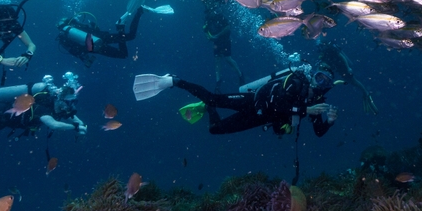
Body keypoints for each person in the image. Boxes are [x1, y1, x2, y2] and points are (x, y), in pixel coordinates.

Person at [133, 63, 338, 136]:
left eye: (326, 82)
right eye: (320, 77)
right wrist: (305, 111)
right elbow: (279, 104)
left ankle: (206, 108)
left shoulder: (315, 103)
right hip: (253, 101)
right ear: (313, 75)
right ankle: (174, 81)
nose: (320, 84)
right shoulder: (296, 82)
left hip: (259, 118)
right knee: (213, 99)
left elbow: (319, 132)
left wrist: (328, 122)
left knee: (215, 130)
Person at [0, 74, 87, 137]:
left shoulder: (58, 106)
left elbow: (72, 116)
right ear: (59, 99)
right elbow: (55, 125)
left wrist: (80, 123)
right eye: (68, 102)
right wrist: (75, 127)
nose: (70, 106)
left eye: (73, 102)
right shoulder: (43, 109)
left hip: (6, 119)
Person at [57, 0, 172, 67]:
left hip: (96, 47)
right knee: (124, 51)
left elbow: (77, 51)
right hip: (99, 40)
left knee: (124, 51)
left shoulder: (63, 39)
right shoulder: (74, 28)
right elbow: (94, 30)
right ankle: (128, 20)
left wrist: (85, 58)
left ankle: (137, 13)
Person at [196, 0, 244, 91]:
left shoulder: (218, 15)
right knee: (217, 59)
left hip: (224, 39)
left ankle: (240, 74)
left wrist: (216, 35)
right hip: (217, 40)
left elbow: (227, 28)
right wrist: (209, 36)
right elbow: (205, 28)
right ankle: (218, 81)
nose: (207, 5)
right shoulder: (208, 15)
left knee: (227, 59)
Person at [317, 42, 378, 114]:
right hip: (340, 69)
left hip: (343, 68)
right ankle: (366, 94)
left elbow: (341, 57)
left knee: (353, 81)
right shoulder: (327, 53)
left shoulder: (330, 51)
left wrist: (348, 68)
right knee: (353, 81)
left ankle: (366, 94)